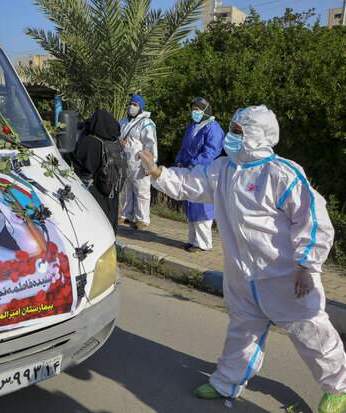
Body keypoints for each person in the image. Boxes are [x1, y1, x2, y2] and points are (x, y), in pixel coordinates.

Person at [138, 105, 346, 413]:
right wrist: (157, 172)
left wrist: (307, 264)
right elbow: (191, 184)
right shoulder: (223, 169)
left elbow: (312, 219)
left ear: (258, 136)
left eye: (238, 131)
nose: (231, 136)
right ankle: (227, 382)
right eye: (231, 129)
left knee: (312, 333)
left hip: (286, 276)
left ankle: (338, 389)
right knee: (242, 330)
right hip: (242, 274)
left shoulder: (281, 173)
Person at [174, 97, 224, 252]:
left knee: (202, 208)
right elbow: (184, 147)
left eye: (198, 109)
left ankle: (203, 243)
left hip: (203, 172)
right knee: (190, 205)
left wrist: (193, 164)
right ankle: (192, 239)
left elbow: (211, 151)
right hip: (189, 171)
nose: (194, 112)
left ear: (206, 110)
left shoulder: (213, 127)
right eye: (193, 108)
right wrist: (180, 161)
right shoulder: (192, 127)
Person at [73, 109, 125, 230]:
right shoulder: (116, 143)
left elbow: (76, 161)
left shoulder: (90, 142)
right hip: (112, 196)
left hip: (94, 194)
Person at [118, 94, 157, 230]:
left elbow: (151, 144)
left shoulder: (146, 123)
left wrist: (149, 165)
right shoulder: (122, 122)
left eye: (135, 105)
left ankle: (143, 219)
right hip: (125, 161)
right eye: (130, 103)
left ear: (141, 107)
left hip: (139, 163)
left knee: (142, 191)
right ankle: (126, 214)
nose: (131, 107)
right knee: (126, 190)